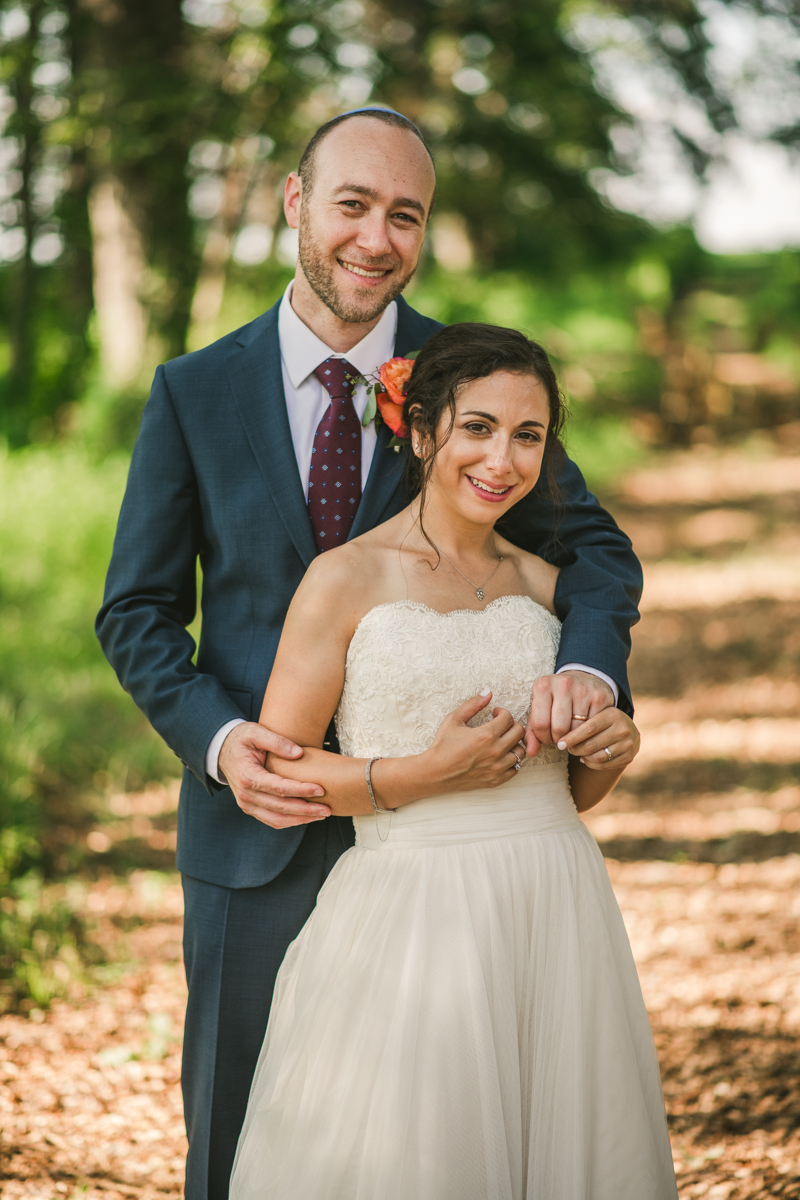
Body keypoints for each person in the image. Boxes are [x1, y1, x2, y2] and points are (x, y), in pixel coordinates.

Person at [96, 108, 643, 1199]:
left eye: (405, 215)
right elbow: (137, 612)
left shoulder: (472, 384)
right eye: (352, 204)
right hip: (267, 829)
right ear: (296, 203)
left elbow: (591, 550)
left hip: (460, 859)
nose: (375, 238)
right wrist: (217, 743)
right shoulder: (193, 392)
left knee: (463, 1138)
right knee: (247, 1139)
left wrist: (587, 672)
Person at [229, 322, 677, 1199]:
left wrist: (615, 746)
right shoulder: (346, 580)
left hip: (555, 903)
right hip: (412, 911)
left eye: (528, 436)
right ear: (422, 429)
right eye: (477, 428)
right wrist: (417, 775)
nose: (502, 460)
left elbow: (577, 788)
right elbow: (278, 769)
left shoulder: (549, 587)